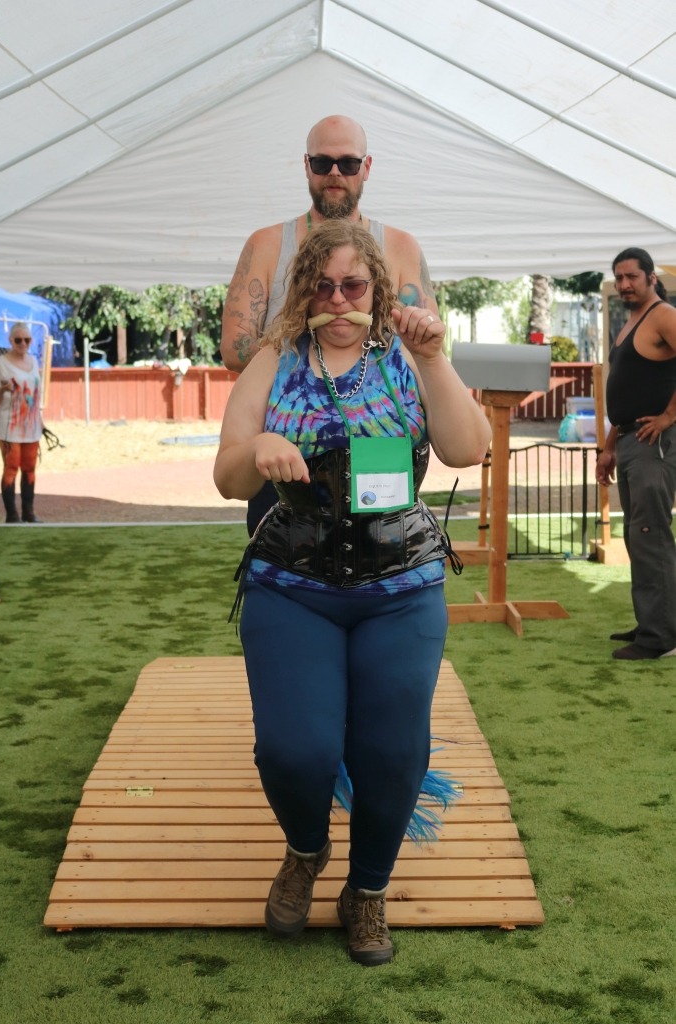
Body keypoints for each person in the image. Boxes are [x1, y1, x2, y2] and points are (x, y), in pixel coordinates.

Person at [213, 221, 491, 966]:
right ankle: (306, 849)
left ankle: (366, 889)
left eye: (353, 286)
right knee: (293, 751)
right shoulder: (273, 360)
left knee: (393, 753)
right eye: (322, 287)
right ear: (303, 294)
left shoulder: (408, 356)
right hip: (291, 584)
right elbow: (227, 476)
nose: (338, 300)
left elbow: (469, 448)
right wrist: (257, 449)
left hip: (401, 584)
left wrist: (434, 358)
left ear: (376, 289)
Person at [220, 114, 441, 535]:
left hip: (381, 454)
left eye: (348, 163)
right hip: (286, 453)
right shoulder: (266, 245)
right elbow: (234, 349)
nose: (335, 173)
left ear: (367, 167)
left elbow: (426, 347)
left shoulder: (400, 246)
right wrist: (304, 341)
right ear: (307, 166)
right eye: (322, 163)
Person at [595, 247, 676, 660]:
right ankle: (652, 622)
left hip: (652, 443)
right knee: (637, 535)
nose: (624, 284)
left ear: (651, 278)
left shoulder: (663, 315)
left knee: (650, 535)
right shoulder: (630, 321)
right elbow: (628, 391)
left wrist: (669, 416)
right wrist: (609, 446)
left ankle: (659, 638)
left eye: (632, 276)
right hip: (628, 440)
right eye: (619, 277)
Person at [0, 322, 43, 523]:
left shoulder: (33, 361)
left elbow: (36, 395)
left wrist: (40, 420)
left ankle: (29, 512)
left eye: (27, 340)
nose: (23, 344)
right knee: (11, 467)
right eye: (19, 340)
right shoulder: (1, 363)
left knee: (30, 467)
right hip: (9, 423)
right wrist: (3, 389)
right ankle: (12, 515)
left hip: (31, 423)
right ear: (11, 341)